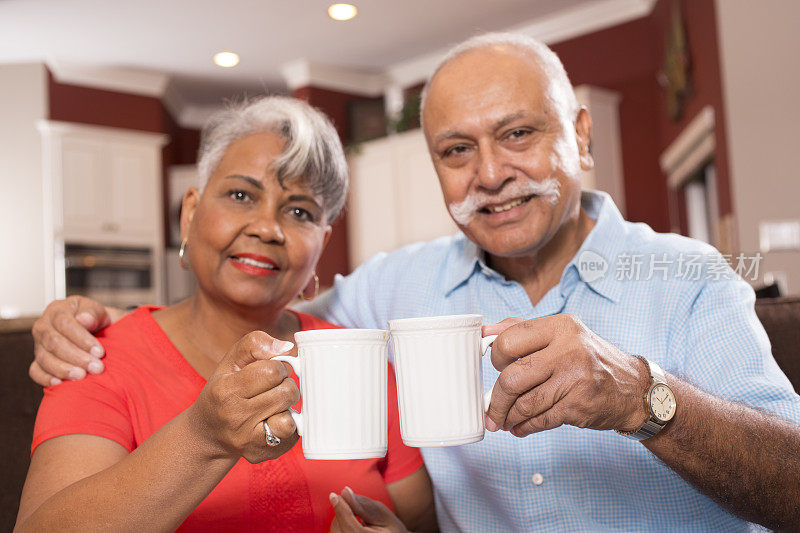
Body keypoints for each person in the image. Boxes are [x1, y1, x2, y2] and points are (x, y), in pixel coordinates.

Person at [29, 33, 800, 532]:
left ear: (582, 136)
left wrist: (643, 395)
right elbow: (253, 299)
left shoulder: (689, 276)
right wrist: (96, 313)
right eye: (457, 150)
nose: (491, 174)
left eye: (519, 134)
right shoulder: (395, 292)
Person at [15, 96, 436, 532]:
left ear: (321, 246)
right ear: (191, 212)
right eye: (241, 195)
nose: (267, 228)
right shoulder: (97, 357)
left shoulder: (360, 362)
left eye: (299, 212)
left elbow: (423, 524)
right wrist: (204, 437)